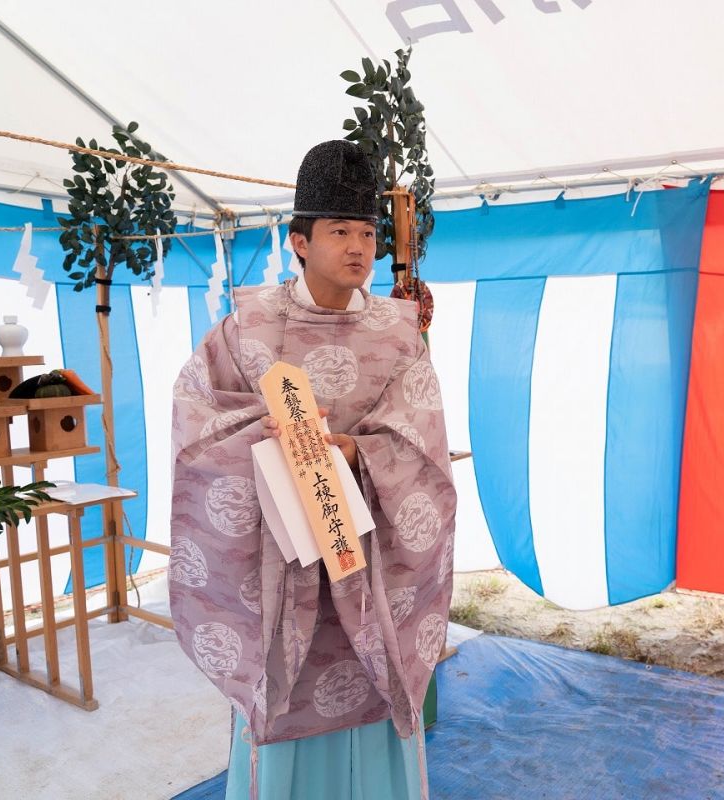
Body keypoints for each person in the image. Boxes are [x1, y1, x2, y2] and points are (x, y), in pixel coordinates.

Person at [169, 140, 456, 800]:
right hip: (277, 559)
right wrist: (259, 435)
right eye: (339, 232)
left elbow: (423, 440)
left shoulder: (398, 334)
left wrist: (358, 452)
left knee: (370, 682)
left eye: (367, 232)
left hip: (368, 556)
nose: (359, 248)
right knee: (283, 689)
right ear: (299, 241)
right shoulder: (248, 329)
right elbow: (196, 419)